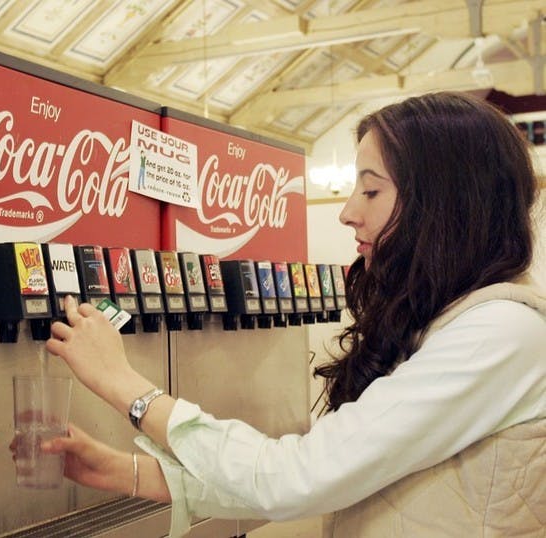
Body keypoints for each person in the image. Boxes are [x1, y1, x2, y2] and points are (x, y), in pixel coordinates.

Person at [38, 92, 546, 537]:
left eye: (371, 190)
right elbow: (342, 479)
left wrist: (126, 386)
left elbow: (296, 479)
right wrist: (127, 473)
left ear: (446, 204)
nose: (347, 211)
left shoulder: (500, 333)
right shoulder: (451, 324)